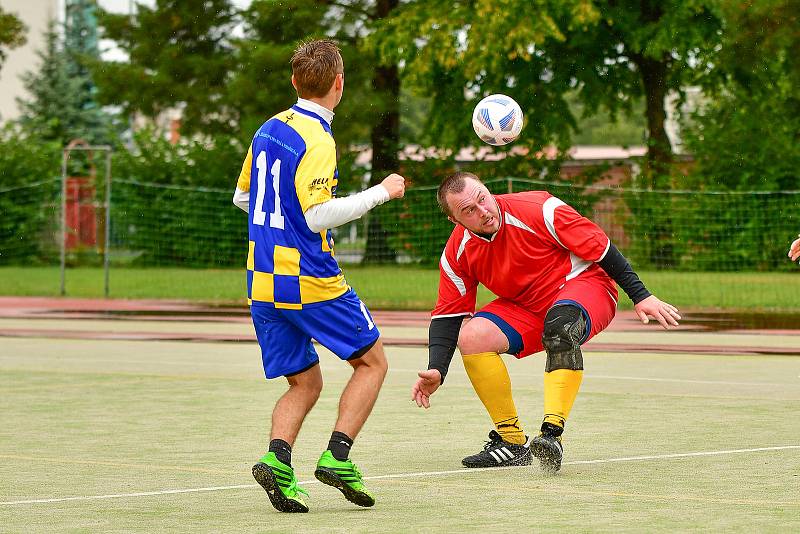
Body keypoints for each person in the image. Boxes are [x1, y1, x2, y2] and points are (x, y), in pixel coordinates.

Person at [233, 39, 405, 512]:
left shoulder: (268, 129)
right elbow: (316, 216)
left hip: (261, 281)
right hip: (308, 278)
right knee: (372, 361)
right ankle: (338, 456)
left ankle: (278, 461)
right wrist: (381, 192)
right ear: (339, 84)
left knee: (304, 382)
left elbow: (243, 198)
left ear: (294, 81)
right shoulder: (318, 138)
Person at [411, 171, 680, 472]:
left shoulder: (539, 208)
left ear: (488, 190)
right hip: (526, 306)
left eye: (482, 199)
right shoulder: (457, 252)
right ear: (454, 220)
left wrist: (641, 295)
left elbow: (602, 248)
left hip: (584, 285)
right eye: (469, 210)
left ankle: (551, 434)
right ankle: (512, 443)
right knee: (472, 336)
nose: (482, 211)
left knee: (560, 327)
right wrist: (438, 368)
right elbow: (448, 315)